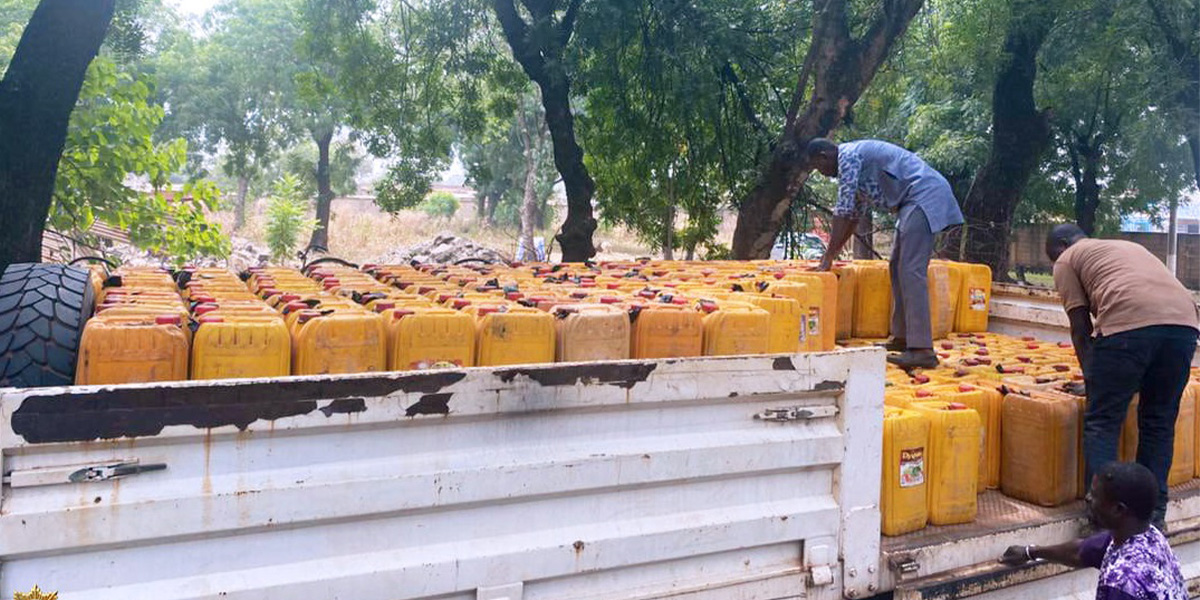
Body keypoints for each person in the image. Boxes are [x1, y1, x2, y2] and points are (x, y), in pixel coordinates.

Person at [1046, 224, 1199, 528]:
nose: (1054, 264)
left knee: (1102, 422)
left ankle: (1103, 521)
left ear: (1062, 245)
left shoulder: (1067, 259)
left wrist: (1094, 383)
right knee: (1158, 422)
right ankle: (1153, 516)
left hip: (1127, 327)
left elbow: (1080, 329)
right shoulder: (1128, 247)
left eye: (1052, 257)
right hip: (1184, 327)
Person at [808, 138, 964, 369]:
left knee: (911, 270)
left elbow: (842, 211)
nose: (822, 174)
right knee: (896, 266)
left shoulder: (848, 156)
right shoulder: (853, 171)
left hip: (923, 195)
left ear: (824, 155)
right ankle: (903, 338)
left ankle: (922, 350)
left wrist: (828, 257)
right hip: (910, 202)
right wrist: (834, 253)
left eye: (818, 167)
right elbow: (852, 217)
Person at [1001, 462, 1187, 600]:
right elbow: (1080, 551)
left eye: (1095, 495)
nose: (1088, 498)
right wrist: (1029, 552)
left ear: (1118, 510)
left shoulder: (1121, 583)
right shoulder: (1149, 536)